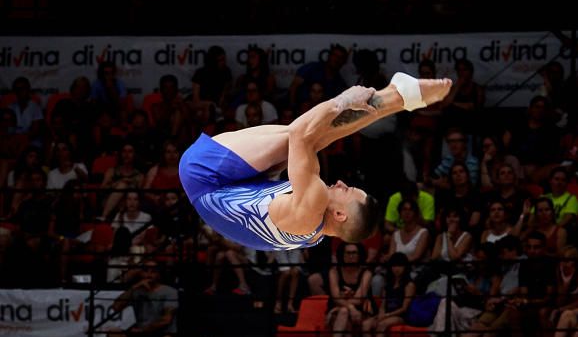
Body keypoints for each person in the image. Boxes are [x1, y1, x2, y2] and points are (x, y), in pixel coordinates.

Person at [179, 73, 452, 251]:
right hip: (233, 185)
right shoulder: (314, 234)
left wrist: (343, 100)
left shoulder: (312, 207)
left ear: (340, 215)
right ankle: (400, 98)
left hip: (205, 174)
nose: (343, 183)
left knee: (296, 136)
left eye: (347, 191)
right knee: (315, 139)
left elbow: (300, 132)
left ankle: (399, 97)